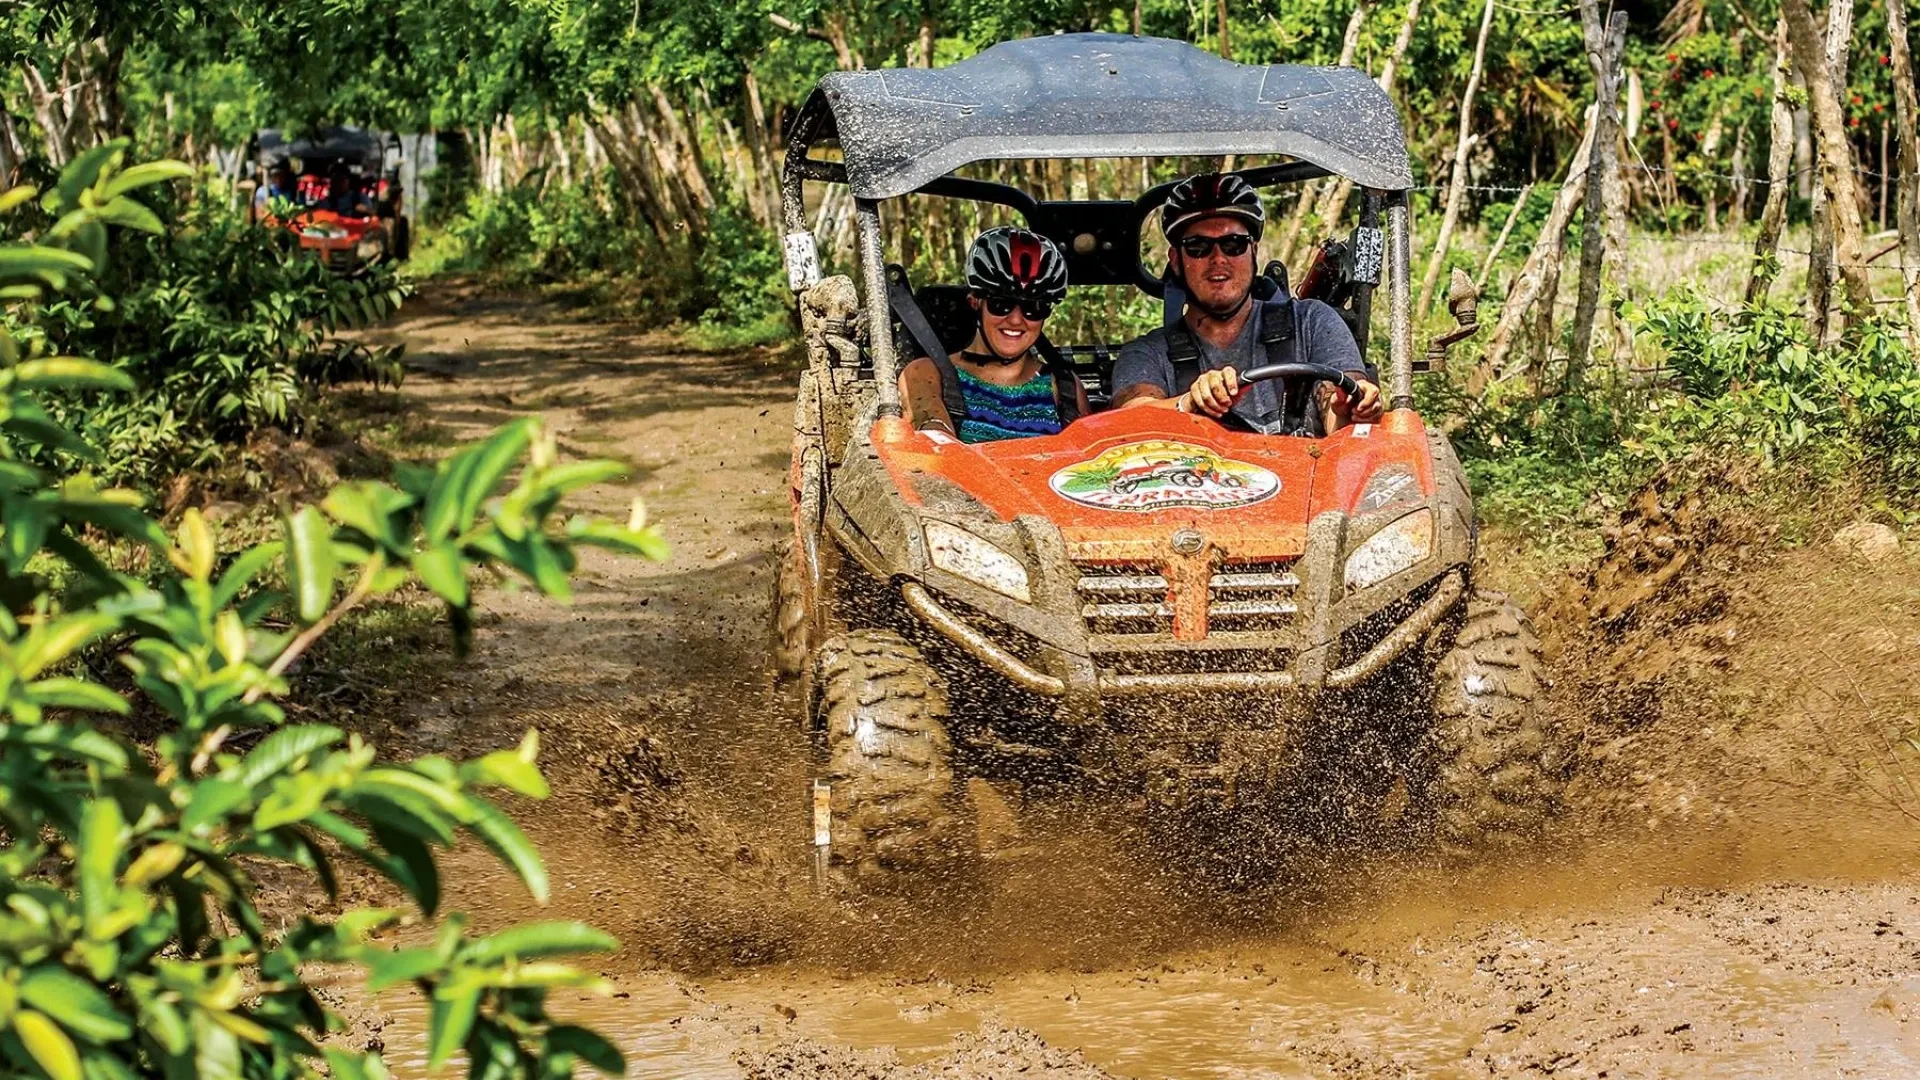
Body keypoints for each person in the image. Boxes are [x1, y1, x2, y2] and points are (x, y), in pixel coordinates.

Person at [1111, 172, 1383, 434]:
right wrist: (1188, 403)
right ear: (1175, 260)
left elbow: (1340, 407)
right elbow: (1128, 420)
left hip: (1308, 465)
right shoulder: (1147, 353)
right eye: (1198, 247)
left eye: (1234, 244)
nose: (1218, 259)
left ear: (1254, 250)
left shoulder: (1312, 322)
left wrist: (1352, 406)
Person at [899, 227, 1089, 443]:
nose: (1016, 320)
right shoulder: (927, 373)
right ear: (975, 302)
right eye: (1001, 304)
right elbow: (934, 438)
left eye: (1033, 308)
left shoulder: (1065, 387)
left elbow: (1091, 455)